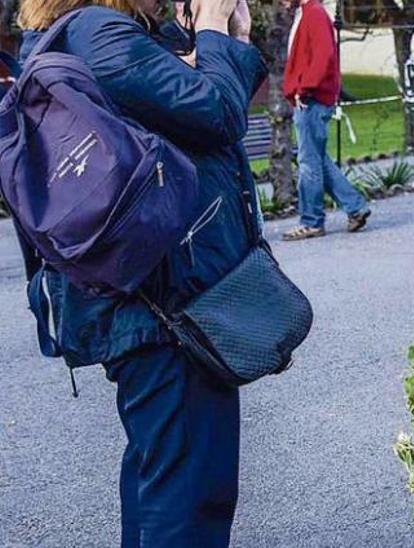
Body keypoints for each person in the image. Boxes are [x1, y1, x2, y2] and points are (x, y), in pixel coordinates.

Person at [16, 0, 264, 545]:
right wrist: (217, 26)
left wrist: (231, 39)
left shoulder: (88, 37)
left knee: (163, 480)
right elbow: (215, 112)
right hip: (162, 312)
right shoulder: (98, 33)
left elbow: (201, 104)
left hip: (149, 301)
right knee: (187, 496)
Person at [282, 0, 371, 241]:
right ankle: (355, 208)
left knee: (308, 161)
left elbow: (324, 56)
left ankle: (311, 222)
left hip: (311, 100)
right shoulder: (309, 13)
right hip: (311, 98)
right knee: (317, 158)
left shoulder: (314, 13)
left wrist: (305, 88)